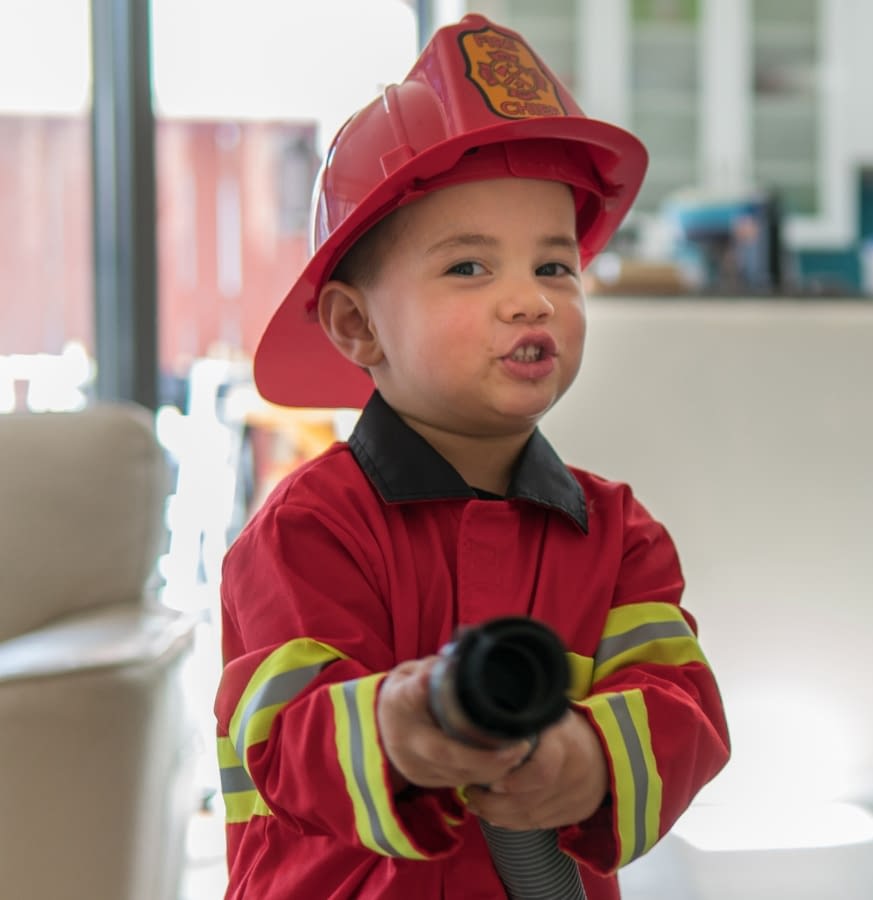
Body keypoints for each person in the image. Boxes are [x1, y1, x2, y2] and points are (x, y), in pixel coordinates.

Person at [213, 15, 730, 899]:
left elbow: (683, 710)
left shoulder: (620, 537)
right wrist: (396, 727)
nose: (528, 301)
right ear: (355, 324)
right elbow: (282, 735)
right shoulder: (305, 532)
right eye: (468, 270)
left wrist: (592, 757)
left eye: (555, 268)